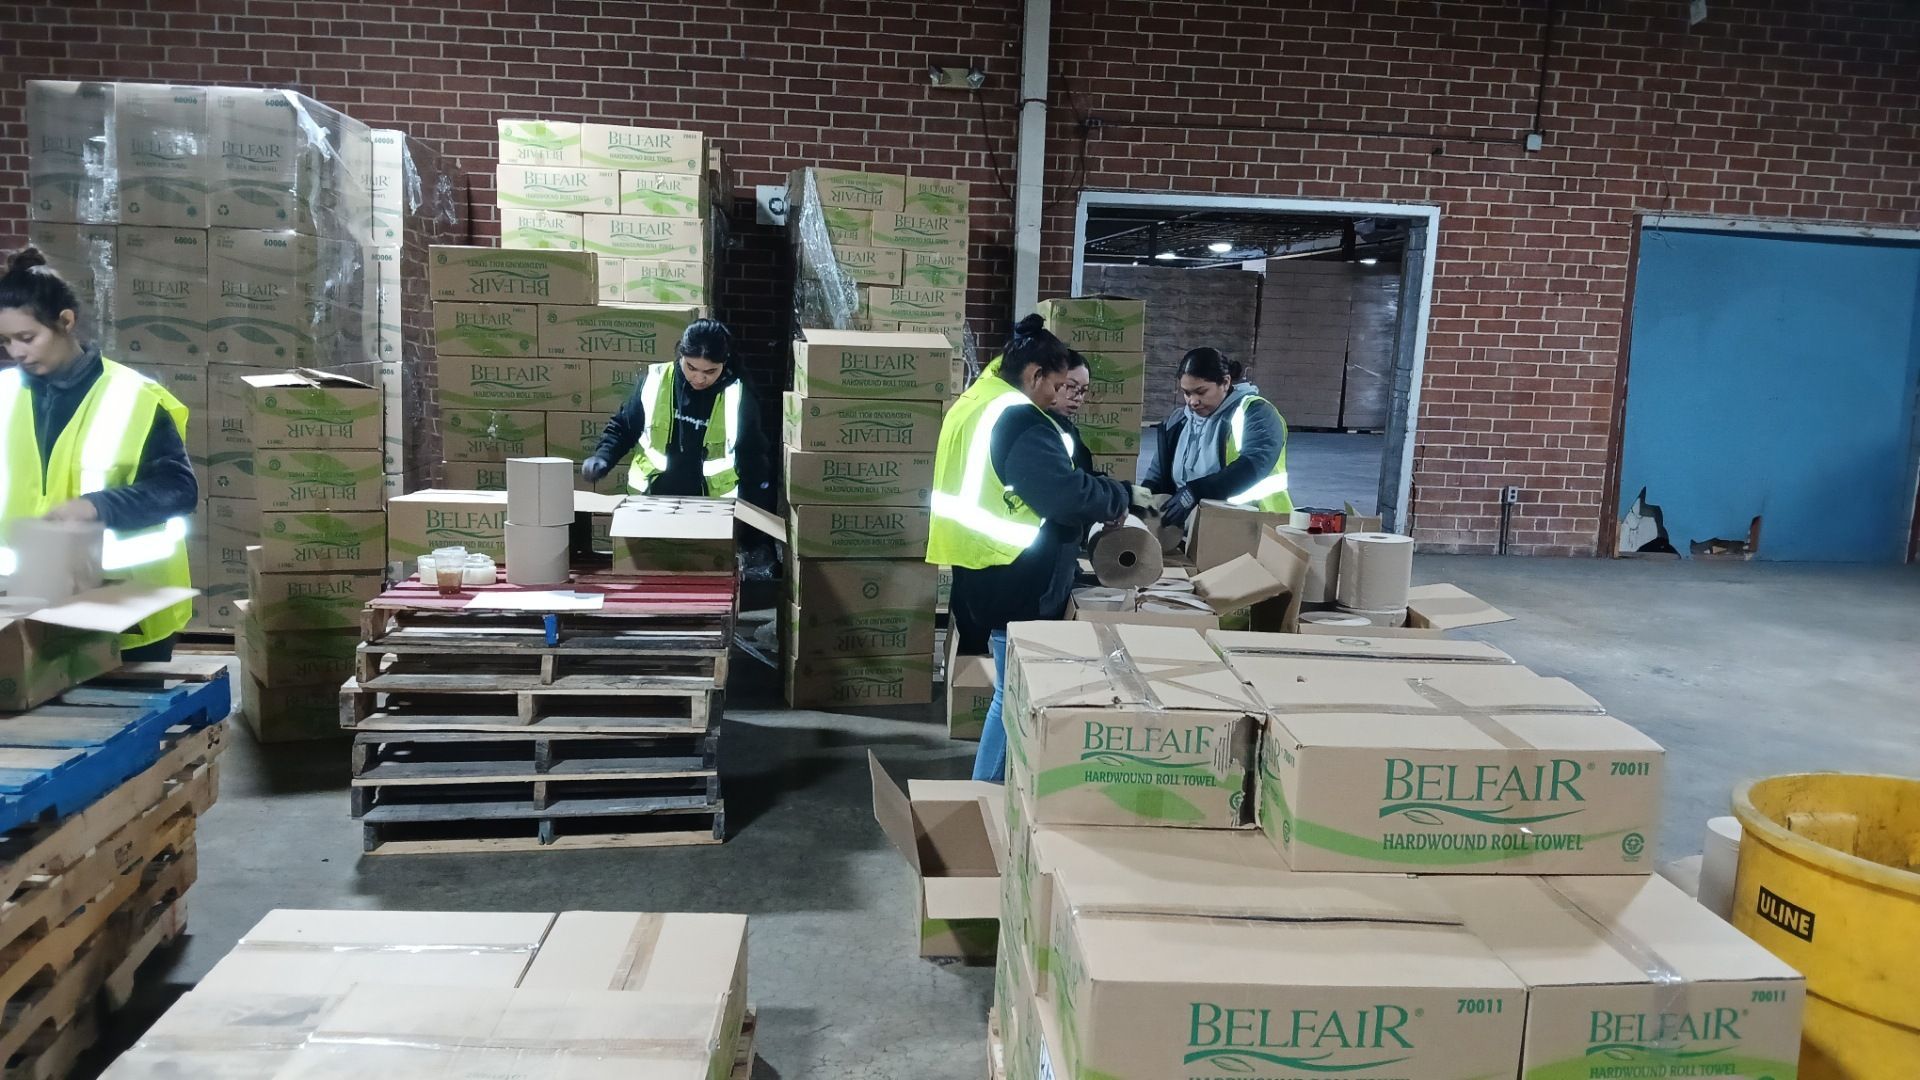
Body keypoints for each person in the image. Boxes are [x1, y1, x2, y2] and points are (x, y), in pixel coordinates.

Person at [928, 316, 1131, 782]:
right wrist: (1117, 495)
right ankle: (985, 800)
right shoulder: (1018, 416)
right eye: (1058, 384)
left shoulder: (976, 400)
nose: (1060, 397)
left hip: (979, 566)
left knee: (1009, 689)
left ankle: (988, 797)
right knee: (1013, 693)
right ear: (1034, 375)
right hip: (1014, 574)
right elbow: (1063, 494)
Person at [0, 247, 196, 659]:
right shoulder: (4, 396)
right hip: (30, 611)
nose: (16, 353)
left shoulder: (133, 397)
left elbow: (178, 489)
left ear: (66, 322)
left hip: (126, 613)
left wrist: (96, 506)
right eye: (6, 341)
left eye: (27, 338)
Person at [579, 318, 772, 507]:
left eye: (710, 371)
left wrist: (756, 501)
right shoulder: (655, 381)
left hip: (712, 509)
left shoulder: (736, 395)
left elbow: (752, 453)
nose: (699, 378)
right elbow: (623, 427)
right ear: (681, 355)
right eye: (691, 367)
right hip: (651, 502)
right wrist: (603, 457)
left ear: (725, 362)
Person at [1141, 347, 1291, 528]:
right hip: (1195, 530)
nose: (1192, 401)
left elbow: (1254, 464)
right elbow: (1157, 476)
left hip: (1256, 525)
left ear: (1226, 382)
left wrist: (1196, 492)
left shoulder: (1256, 413)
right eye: (1187, 393)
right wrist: (1140, 501)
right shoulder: (1177, 422)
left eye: (1201, 392)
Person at [1052, 354, 1094, 474]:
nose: (1078, 397)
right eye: (1071, 386)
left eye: (1084, 390)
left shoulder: (1067, 428)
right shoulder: (1038, 427)